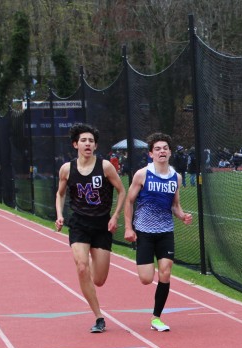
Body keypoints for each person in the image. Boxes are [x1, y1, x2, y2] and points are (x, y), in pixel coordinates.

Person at [55, 123, 127, 333]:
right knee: (81, 266)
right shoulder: (67, 169)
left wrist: (115, 216)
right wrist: (59, 215)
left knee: (99, 280)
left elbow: (121, 191)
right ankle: (99, 317)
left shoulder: (105, 167)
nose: (87, 144)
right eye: (83, 140)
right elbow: (60, 193)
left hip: (102, 225)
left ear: (95, 146)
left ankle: (93, 267)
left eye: (91, 141)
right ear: (75, 144)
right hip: (79, 224)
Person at [123, 132, 193, 332]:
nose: (162, 151)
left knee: (165, 272)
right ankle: (146, 263)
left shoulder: (176, 177)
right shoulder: (142, 174)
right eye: (157, 149)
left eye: (165, 148)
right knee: (146, 278)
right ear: (151, 154)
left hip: (165, 231)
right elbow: (129, 201)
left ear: (170, 152)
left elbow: (175, 205)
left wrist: (182, 216)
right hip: (144, 231)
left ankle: (156, 317)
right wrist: (128, 227)